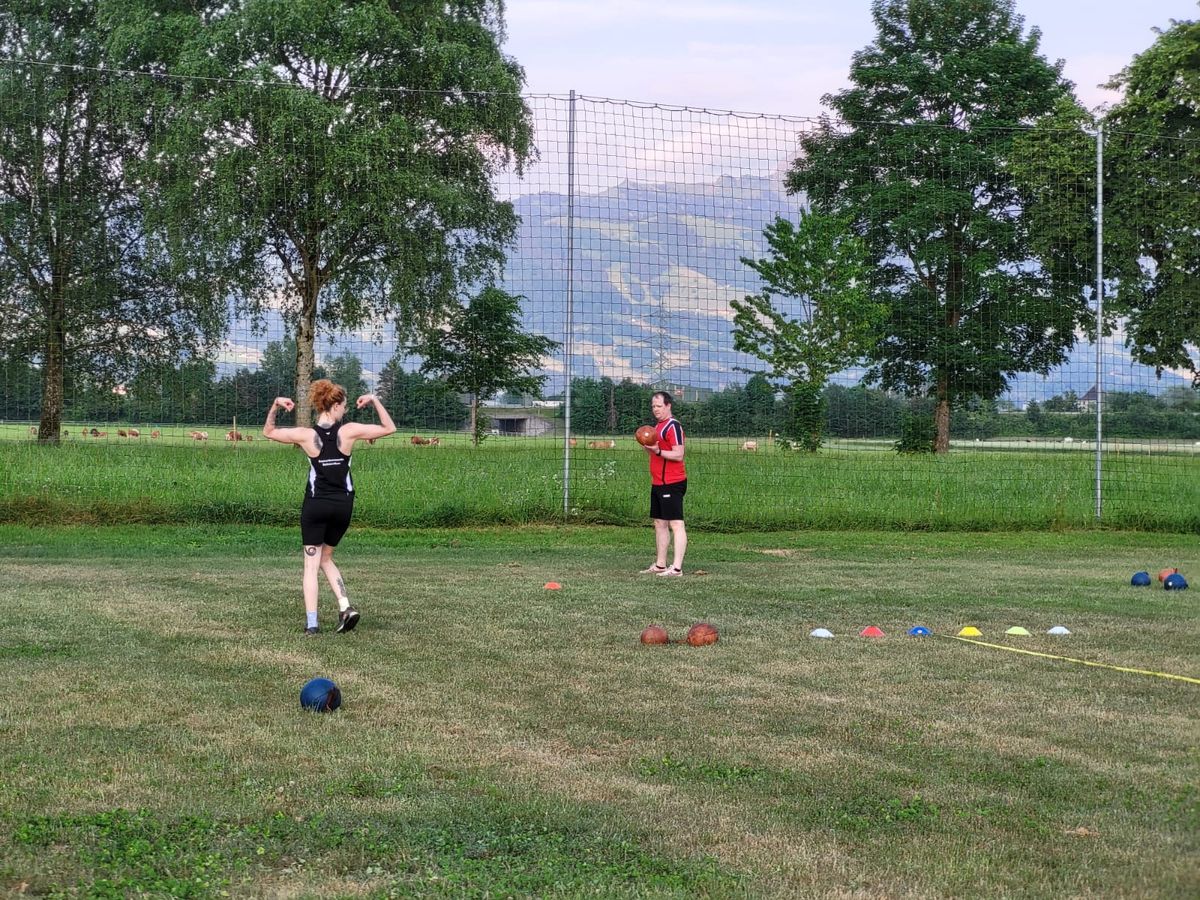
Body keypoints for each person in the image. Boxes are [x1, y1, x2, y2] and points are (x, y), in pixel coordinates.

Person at [263, 380, 396, 635]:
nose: (345, 411)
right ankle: (345, 606)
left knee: (311, 564)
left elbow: (268, 432)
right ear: (334, 405)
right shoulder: (349, 432)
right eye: (343, 407)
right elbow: (389, 427)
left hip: (316, 506)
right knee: (326, 557)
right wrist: (374, 399)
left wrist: (276, 405)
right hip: (343, 507)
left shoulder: (306, 435)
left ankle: (312, 624)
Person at [640, 390, 687, 576]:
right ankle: (660, 564)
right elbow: (657, 451)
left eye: (659, 406)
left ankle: (676, 568)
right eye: (653, 406)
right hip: (658, 482)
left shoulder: (673, 426)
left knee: (676, 523)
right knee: (660, 523)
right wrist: (648, 448)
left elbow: (678, 454)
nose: (655, 409)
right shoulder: (657, 427)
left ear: (668, 406)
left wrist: (658, 451)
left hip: (672, 482)